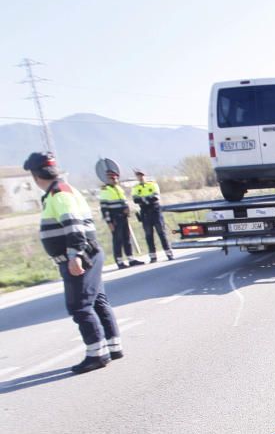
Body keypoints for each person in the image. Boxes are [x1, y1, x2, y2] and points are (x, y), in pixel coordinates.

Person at [24, 152, 123, 374]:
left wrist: (74, 256)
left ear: (36, 176)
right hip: (88, 253)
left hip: (81, 256)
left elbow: (74, 226)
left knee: (80, 306)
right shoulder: (64, 191)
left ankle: (97, 354)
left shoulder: (59, 194)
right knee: (97, 301)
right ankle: (113, 346)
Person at [98, 169, 144, 269]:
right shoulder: (105, 190)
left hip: (123, 217)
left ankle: (131, 259)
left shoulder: (118, 188)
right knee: (117, 240)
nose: (114, 180)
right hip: (114, 218)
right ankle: (119, 261)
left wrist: (127, 209)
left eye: (115, 178)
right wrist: (109, 222)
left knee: (126, 238)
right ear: (108, 179)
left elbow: (124, 201)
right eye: (112, 178)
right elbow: (104, 208)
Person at [130, 168, 174, 262]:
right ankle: (153, 257)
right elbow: (135, 200)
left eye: (142, 175)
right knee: (149, 235)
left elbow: (155, 197)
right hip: (145, 213)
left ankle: (169, 253)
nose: (141, 177)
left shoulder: (153, 184)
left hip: (155, 211)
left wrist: (143, 199)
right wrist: (147, 199)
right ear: (137, 177)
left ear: (145, 175)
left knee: (161, 233)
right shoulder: (135, 188)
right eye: (138, 175)